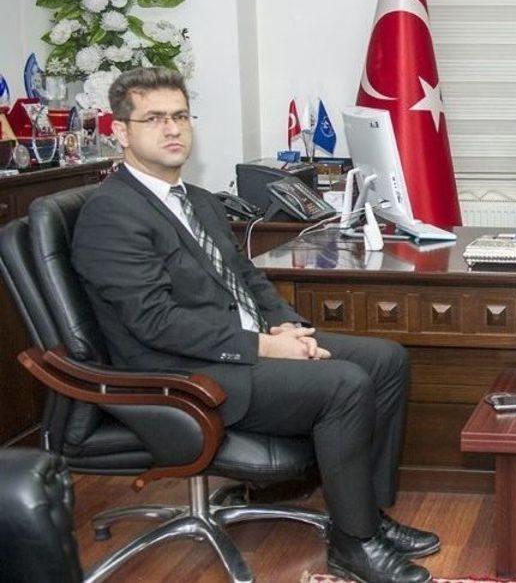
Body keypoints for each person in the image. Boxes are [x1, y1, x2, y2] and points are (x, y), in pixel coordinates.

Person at [72, 67, 436, 583]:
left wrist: (289, 329)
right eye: (153, 119)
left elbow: (245, 276)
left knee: (386, 359)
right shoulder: (112, 213)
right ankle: (353, 545)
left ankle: (367, 516)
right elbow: (156, 323)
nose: (172, 129)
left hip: (235, 344)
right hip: (180, 374)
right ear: (121, 132)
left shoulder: (196, 200)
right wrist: (262, 346)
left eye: (180, 116)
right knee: (345, 384)